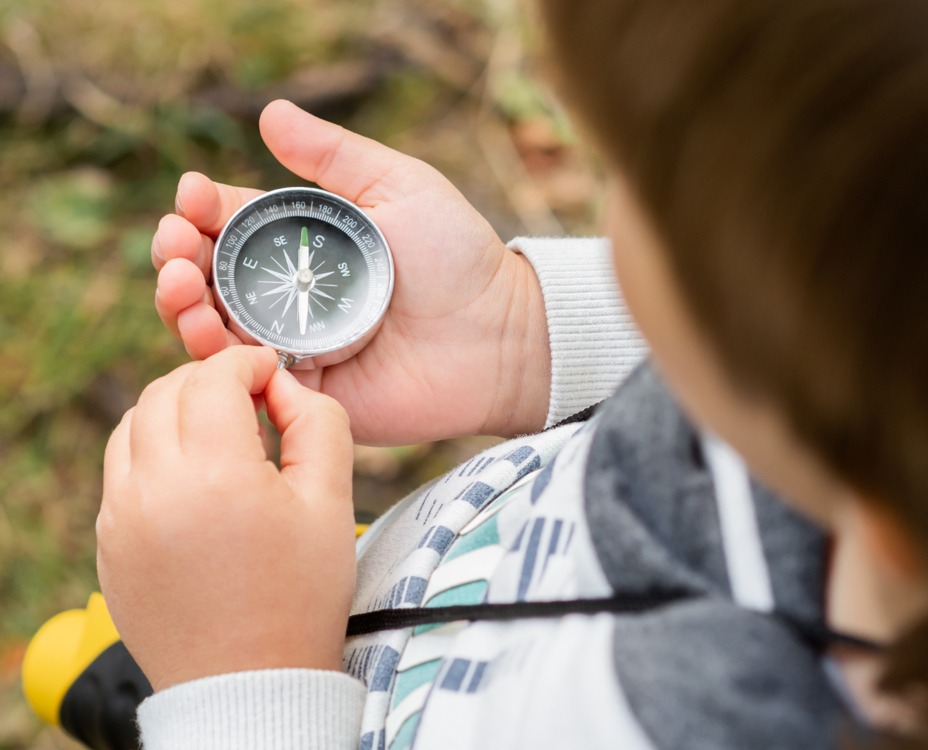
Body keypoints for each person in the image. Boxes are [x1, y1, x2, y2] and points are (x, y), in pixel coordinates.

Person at [94, 0, 928, 747]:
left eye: (632, 183)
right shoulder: (850, 417)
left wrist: (240, 696)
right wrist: (527, 339)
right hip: (390, 597)